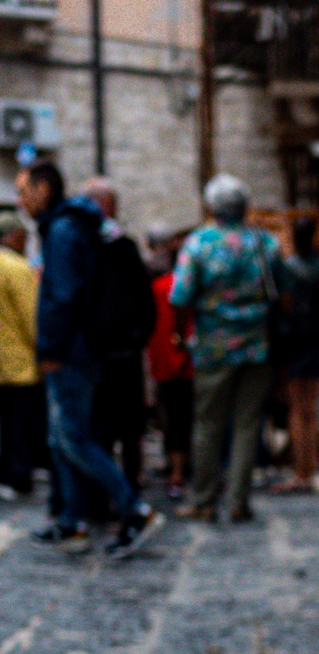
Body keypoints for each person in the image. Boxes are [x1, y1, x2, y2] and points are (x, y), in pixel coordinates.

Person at [16, 160, 159, 559]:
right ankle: (73, 520)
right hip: (81, 348)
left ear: (44, 190)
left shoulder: (62, 232)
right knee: (62, 436)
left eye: (24, 190)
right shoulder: (72, 227)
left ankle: (133, 508)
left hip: (71, 352)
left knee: (74, 436)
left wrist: (50, 349)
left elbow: (61, 297)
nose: (20, 200)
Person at [170, 174, 282, 523]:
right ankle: (238, 501)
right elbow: (283, 291)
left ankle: (203, 499)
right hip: (257, 345)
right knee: (248, 424)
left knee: (208, 424)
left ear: (211, 206)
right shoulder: (265, 243)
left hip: (213, 346)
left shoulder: (199, 243)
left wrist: (179, 335)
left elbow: (180, 297)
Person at [82, 177, 157, 491]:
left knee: (115, 426)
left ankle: (116, 491)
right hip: (118, 350)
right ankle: (123, 488)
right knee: (121, 426)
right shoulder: (114, 245)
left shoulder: (99, 246)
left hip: (108, 352)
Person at [277, 216, 319, 493]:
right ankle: (309, 468)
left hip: (296, 342)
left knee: (298, 410)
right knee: (311, 408)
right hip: (316, 341)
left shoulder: (289, 269)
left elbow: (284, 307)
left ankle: (301, 471)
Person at [145, 222, 192, 499]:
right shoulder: (188, 289)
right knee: (187, 419)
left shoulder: (158, 287)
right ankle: (183, 470)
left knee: (171, 419)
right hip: (188, 362)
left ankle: (175, 471)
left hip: (164, 363)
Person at [0, 220, 42, 497]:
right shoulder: (17, 267)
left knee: (6, 425)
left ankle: (8, 475)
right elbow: (32, 317)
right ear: (15, 236)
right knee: (20, 426)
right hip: (20, 361)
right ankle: (19, 478)